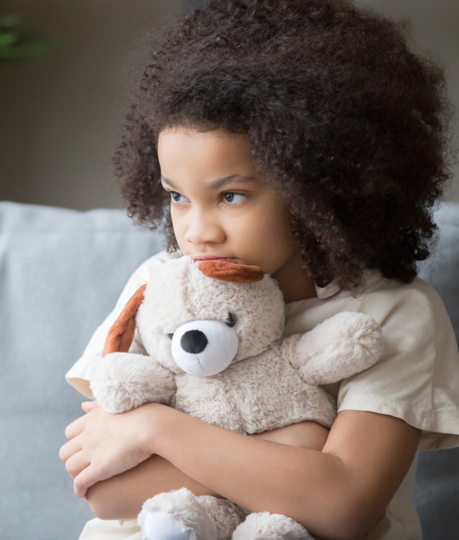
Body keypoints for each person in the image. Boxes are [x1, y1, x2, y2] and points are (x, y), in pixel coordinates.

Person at [59, 1, 459, 539]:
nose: (198, 232)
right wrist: (298, 459)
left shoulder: (392, 314)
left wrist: (155, 428)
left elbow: (342, 507)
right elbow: (105, 493)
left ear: (317, 185)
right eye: (177, 196)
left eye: (231, 195)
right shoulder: (159, 286)